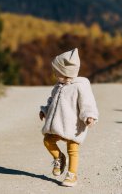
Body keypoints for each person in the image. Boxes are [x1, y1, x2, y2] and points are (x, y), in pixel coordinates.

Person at [39, 48, 99, 187]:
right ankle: (59, 157)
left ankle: (72, 175)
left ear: (65, 73)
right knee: (48, 141)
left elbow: (88, 103)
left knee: (73, 149)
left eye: (56, 72)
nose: (54, 74)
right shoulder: (58, 86)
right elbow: (52, 102)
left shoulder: (80, 86)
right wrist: (45, 110)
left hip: (73, 126)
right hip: (58, 125)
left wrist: (89, 116)